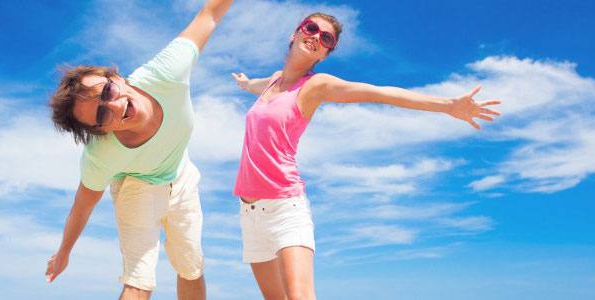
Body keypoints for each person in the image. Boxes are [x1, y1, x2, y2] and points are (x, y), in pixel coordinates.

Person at [230, 12, 501, 300]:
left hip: (285, 208)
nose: (316, 38)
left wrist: (447, 105)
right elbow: (257, 85)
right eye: (311, 28)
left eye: (326, 39)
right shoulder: (272, 83)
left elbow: (378, 93)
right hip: (249, 214)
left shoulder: (315, 86)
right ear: (294, 33)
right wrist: (246, 83)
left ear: (324, 54)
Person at [44, 1, 234, 299]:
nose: (116, 106)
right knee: (139, 278)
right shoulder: (101, 155)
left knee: (191, 267)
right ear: (100, 132)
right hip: (138, 185)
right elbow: (81, 207)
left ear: (115, 77)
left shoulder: (166, 72)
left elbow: (208, 15)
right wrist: (63, 253)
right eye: (102, 115)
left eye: (107, 91)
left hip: (181, 176)